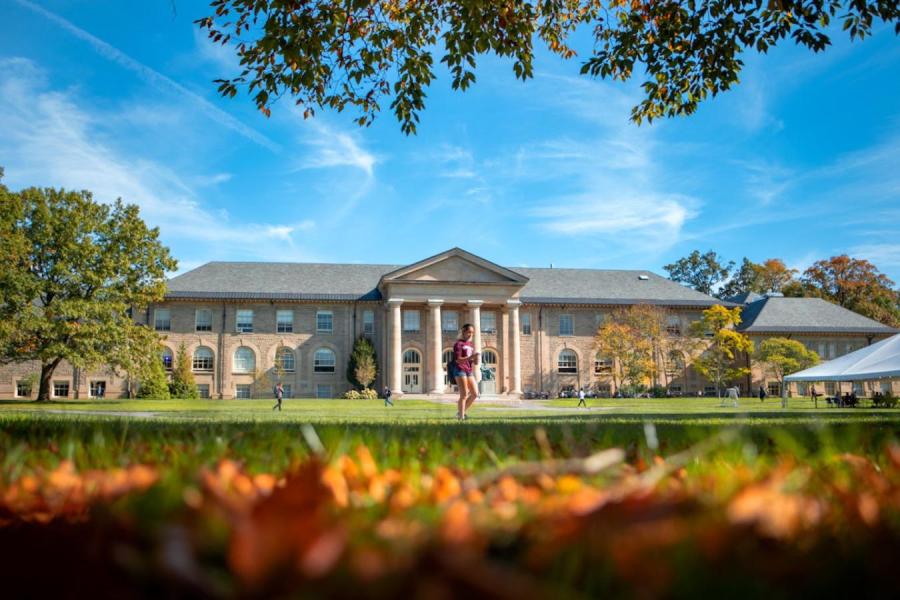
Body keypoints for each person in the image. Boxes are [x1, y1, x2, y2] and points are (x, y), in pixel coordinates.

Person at [453, 323, 479, 420]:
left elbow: (473, 362)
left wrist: (476, 358)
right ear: (463, 332)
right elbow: (458, 359)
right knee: (464, 395)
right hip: (460, 370)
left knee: (475, 394)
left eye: (472, 333)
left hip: (468, 370)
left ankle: (460, 413)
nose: (471, 334)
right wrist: (471, 357)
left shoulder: (470, 345)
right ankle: (461, 417)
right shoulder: (458, 344)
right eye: (469, 332)